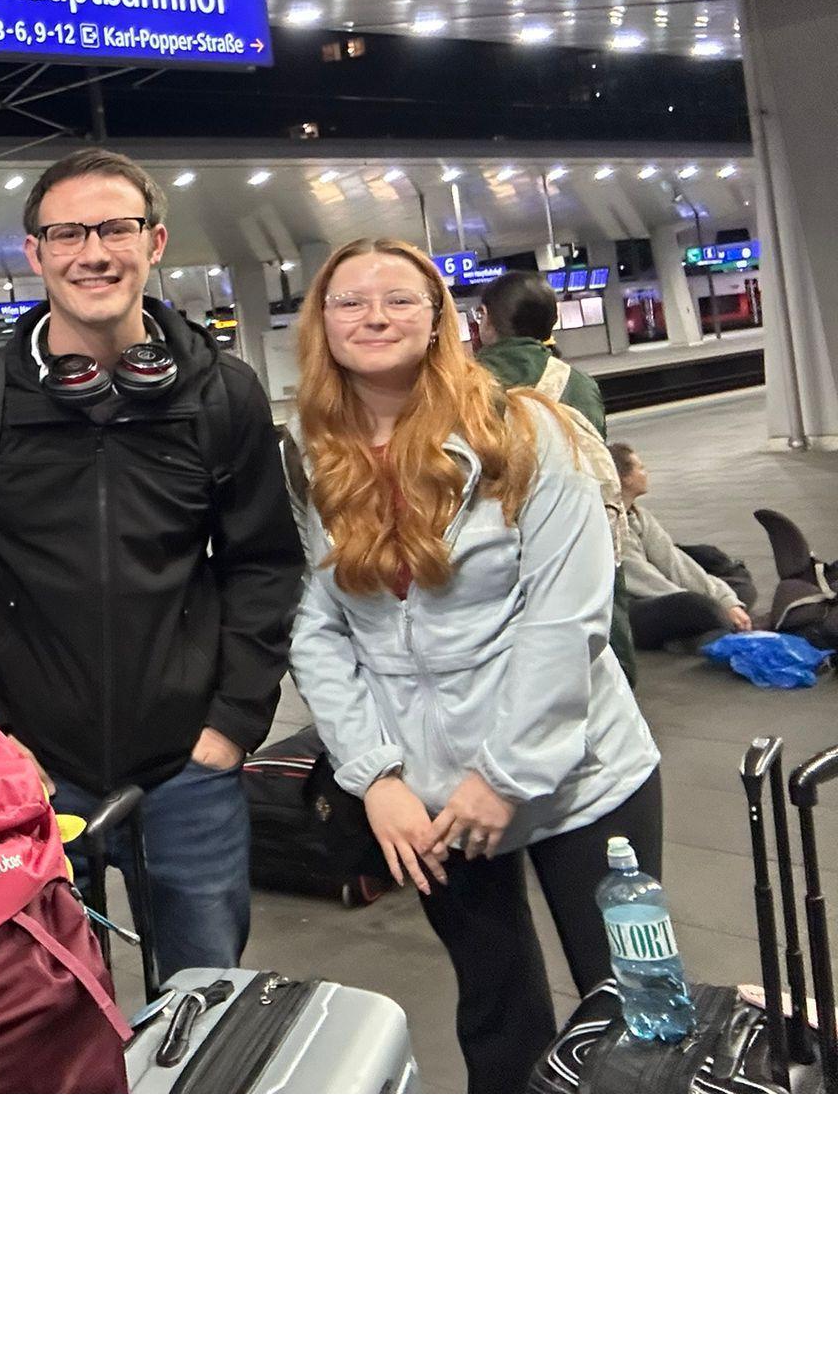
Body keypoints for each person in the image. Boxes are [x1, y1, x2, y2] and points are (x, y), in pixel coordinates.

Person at [0, 148, 303, 980]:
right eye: (67, 233)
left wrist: (232, 724)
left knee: (204, 1001)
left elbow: (263, 564)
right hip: (31, 776)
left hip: (191, 772)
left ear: (155, 243)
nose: (94, 252)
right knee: (49, 1010)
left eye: (116, 228)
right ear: (34, 253)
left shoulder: (223, 394)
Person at [286, 238, 664, 1092]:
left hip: (584, 778)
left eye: (399, 299)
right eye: (349, 301)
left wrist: (506, 775)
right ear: (321, 325)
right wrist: (374, 776)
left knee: (636, 1007)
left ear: (439, 322)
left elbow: (568, 617)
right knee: (497, 1012)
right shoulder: (320, 459)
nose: (374, 315)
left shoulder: (526, 430)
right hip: (428, 798)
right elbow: (319, 627)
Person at [475, 268, 639, 679]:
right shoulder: (579, 384)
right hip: (581, 530)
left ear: (486, 319)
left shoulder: (460, 385)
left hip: (497, 541)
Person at [612, 442, 758, 647]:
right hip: (629, 610)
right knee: (698, 607)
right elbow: (645, 580)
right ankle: (706, 627)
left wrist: (726, 600)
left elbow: (673, 561)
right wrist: (711, 604)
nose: (646, 472)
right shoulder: (611, 527)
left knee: (739, 583)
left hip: (659, 595)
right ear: (625, 478)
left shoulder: (640, 515)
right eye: (641, 468)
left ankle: (698, 631)